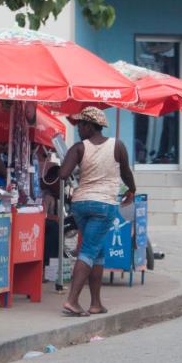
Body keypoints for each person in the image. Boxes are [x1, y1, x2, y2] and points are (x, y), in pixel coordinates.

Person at [58, 107, 136, 317]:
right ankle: (72, 301)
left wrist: (75, 167)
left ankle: (95, 303)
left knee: (98, 251)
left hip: (81, 204)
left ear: (89, 125)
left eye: (80, 125)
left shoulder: (78, 148)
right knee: (90, 250)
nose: (78, 129)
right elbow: (126, 173)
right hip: (103, 205)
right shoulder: (117, 145)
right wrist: (132, 190)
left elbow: (63, 174)